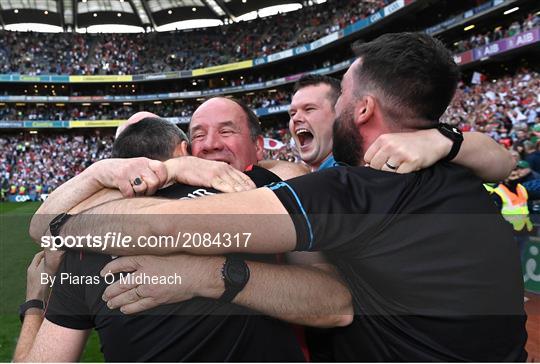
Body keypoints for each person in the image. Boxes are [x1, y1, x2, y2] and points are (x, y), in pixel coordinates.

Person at [32, 32, 527, 361]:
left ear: (361, 110)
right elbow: (502, 161)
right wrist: (451, 139)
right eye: (196, 136)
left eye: (336, 103)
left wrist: (62, 233)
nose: (210, 145)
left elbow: (335, 303)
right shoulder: (459, 174)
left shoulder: (325, 188)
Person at [18, 105, 349, 362]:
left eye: (225, 130)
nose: (210, 145)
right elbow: (337, 305)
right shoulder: (252, 188)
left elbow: (43, 227)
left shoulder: (79, 247)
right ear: (184, 149)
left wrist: (35, 301)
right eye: (199, 135)